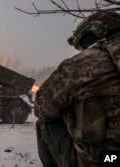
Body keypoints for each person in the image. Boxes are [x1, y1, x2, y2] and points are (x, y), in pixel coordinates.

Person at [34, 10, 120, 167]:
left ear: (93, 33)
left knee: (45, 124)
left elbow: (41, 108)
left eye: (80, 46)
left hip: (101, 161)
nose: (81, 51)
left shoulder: (79, 65)